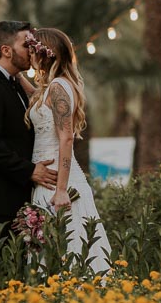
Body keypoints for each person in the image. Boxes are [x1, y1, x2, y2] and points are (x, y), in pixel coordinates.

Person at [19, 27, 110, 275]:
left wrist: (61, 190)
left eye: (32, 49)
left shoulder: (59, 87)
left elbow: (66, 137)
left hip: (57, 182)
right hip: (45, 177)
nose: (29, 54)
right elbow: (39, 99)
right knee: (52, 251)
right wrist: (17, 76)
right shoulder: (54, 87)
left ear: (44, 54)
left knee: (69, 249)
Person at [0, 20, 58, 228]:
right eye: (26, 45)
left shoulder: (14, 83)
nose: (32, 50)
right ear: (6, 50)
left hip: (16, 201)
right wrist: (29, 171)